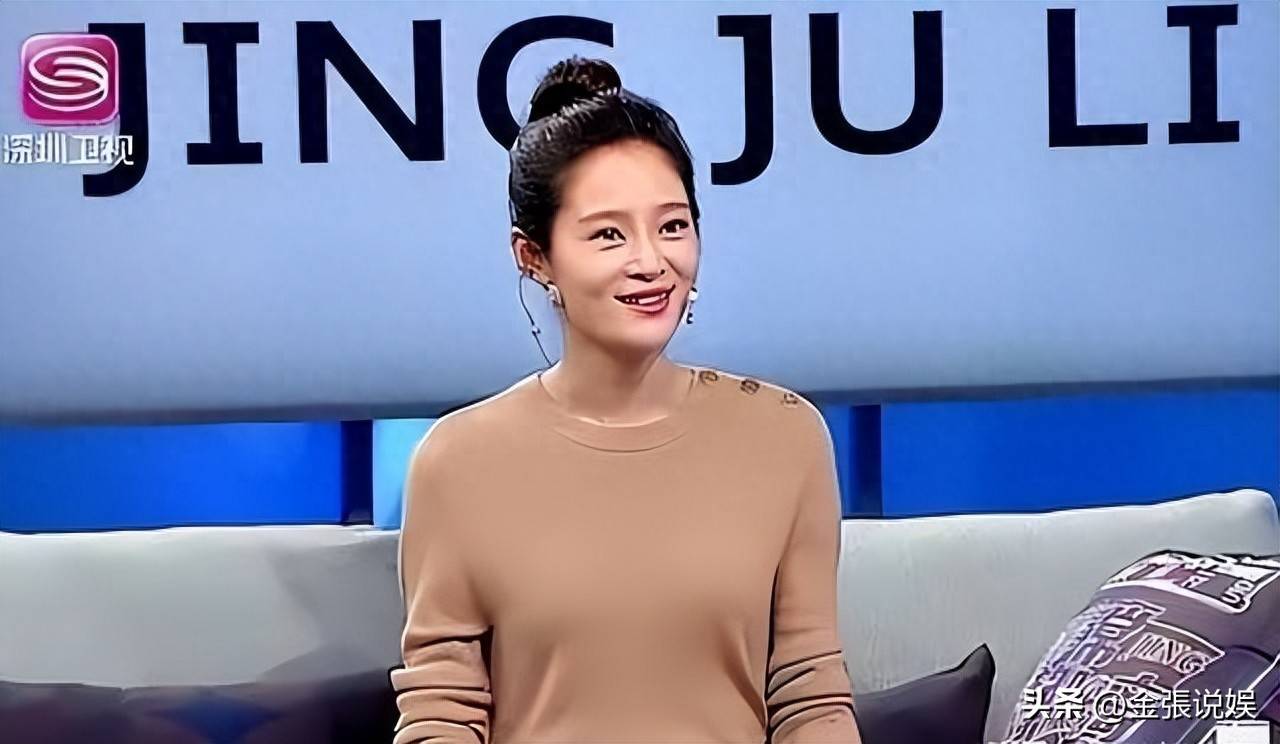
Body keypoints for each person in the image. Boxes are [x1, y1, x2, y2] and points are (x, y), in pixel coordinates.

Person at [390, 55, 863, 744]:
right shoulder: (456, 462)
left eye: (672, 226)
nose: (651, 262)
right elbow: (442, 712)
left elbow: (809, 697)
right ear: (534, 257)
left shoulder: (786, 437)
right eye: (608, 234)